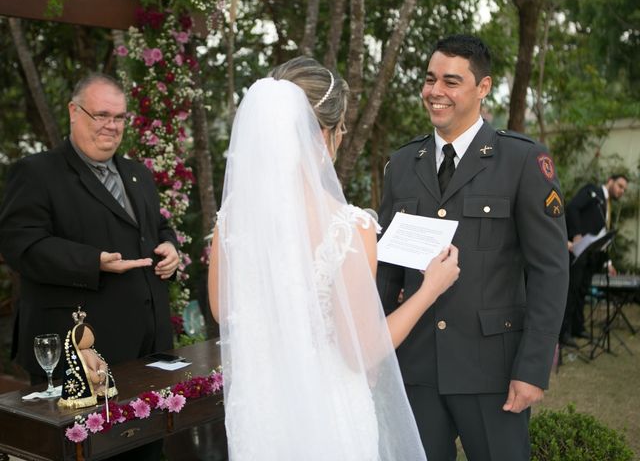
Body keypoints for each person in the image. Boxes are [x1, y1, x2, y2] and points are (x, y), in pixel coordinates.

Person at [207, 56, 459, 461]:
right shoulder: (349, 227)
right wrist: (430, 288)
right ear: (322, 136)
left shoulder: (232, 219)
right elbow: (362, 348)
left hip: (263, 410)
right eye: (340, 130)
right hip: (329, 411)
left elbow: (222, 309)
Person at [376, 34, 570, 461]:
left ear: (482, 88)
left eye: (451, 81)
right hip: (417, 369)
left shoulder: (521, 161)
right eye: (430, 80)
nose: (435, 92)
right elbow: (386, 271)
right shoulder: (403, 164)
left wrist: (532, 368)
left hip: (494, 372)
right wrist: (375, 355)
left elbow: (550, 272)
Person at [0, 73, 179, 458]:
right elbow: (20, 245)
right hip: (78, 359)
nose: (111, 126)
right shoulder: (36, 173)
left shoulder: (138, 174)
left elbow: (156, 228)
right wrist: (92, 262)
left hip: (148, 355)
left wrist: (170, 247)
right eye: (100, 115)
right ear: (73, 112)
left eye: (119, 117)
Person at [560, 174, 628, 347]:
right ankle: (564, 332)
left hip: (591, 255)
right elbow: (573, 207)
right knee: (572, 290)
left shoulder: (607, 206)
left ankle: (577, 326)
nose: (621, 191)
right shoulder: (592, 191)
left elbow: (601, 234)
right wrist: (576, 234)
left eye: (624, 190)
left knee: (582, 290)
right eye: (620, 186)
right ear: (610, 181)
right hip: (578, 251)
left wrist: (608, 263)